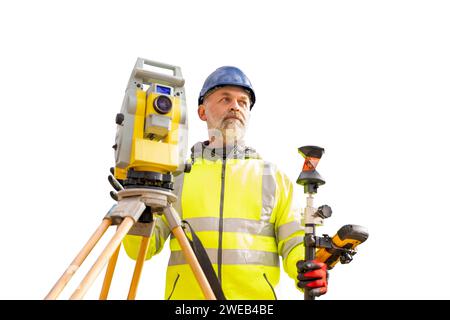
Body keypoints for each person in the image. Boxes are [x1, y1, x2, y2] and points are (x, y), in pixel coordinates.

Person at [122, 66, 328, 299]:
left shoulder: (272, 177)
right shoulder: (175, 176)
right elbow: (139, 250)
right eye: (225, 99)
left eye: (243, 102)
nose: (235, 106)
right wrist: (136, 200)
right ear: (202, 111)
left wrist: (309, 268)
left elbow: (294, 243)